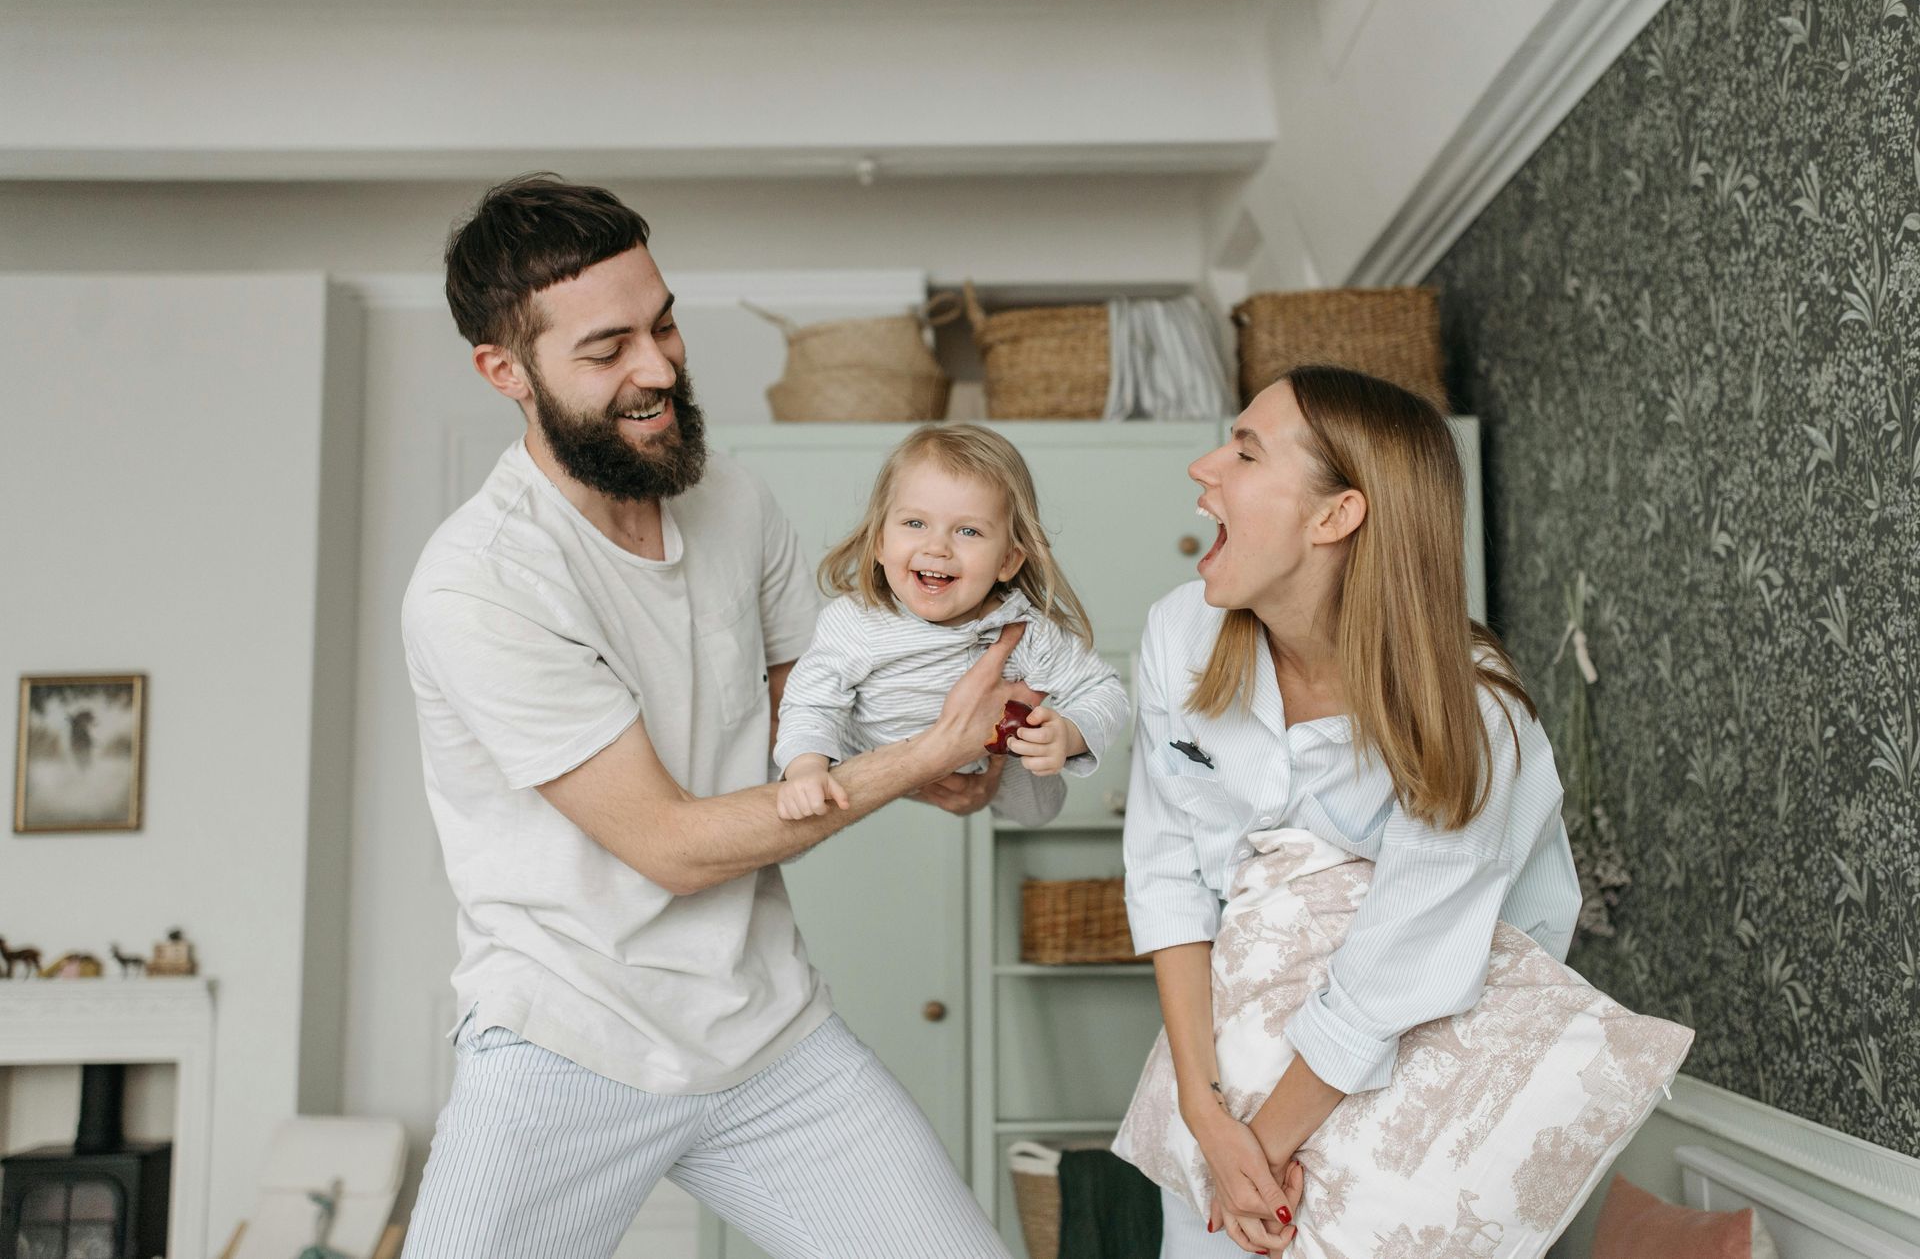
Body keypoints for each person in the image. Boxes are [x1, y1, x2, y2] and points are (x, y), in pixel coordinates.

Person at [400, 174, 1017, 1258]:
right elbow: (673, 847)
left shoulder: (732, 498)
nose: (659, 367)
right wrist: (920, 754)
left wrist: (949, 755)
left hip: (763, 1028)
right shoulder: (480, 582)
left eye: (665, 322)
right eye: (607, 350)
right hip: (568, 1039)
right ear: (505, 371)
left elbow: (812, 705)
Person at [1122, 367, 1580, 1256]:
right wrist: (1203, 1108)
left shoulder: (1475, 720)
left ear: (1336, 516)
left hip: (1417, 1105)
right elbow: (1167, 871)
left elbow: (1389, 980)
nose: (1203, 468)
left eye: (1246, 451)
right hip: (1233, 1098)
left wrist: (1258, 1154)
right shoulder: (1182, 637)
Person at [774, 423, 1128, 826]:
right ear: (879, 541)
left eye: (968, 531)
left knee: (1040, 810)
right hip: (874, 762)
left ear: (1008, 561)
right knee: (811, 777)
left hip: (994, 755)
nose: (937, 547)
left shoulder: (1025, 630)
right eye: (915, 524)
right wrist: (805, 768)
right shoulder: (855, 622)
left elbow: (1105, 691)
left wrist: (1070, 734)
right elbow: (810, 703)